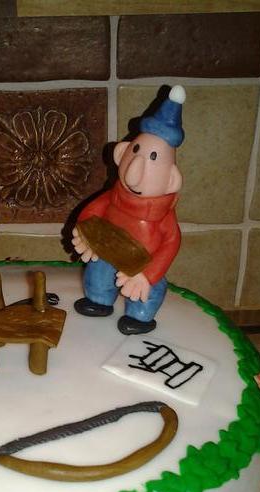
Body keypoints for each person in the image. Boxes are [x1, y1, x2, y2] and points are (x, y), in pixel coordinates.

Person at [73, 86, 185, 335]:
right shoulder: (112, 196)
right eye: (135, 150)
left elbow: (171, 244)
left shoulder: (164, 216)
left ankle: (139, 317)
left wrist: (148, 275)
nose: (136, 169)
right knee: (98, 273)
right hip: (107, 251)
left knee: (147, 290)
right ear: (122, 152)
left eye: (154, 158)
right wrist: (86, 233)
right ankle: (99, 299)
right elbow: (92, 212)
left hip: (143, 265)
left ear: (171, 179)